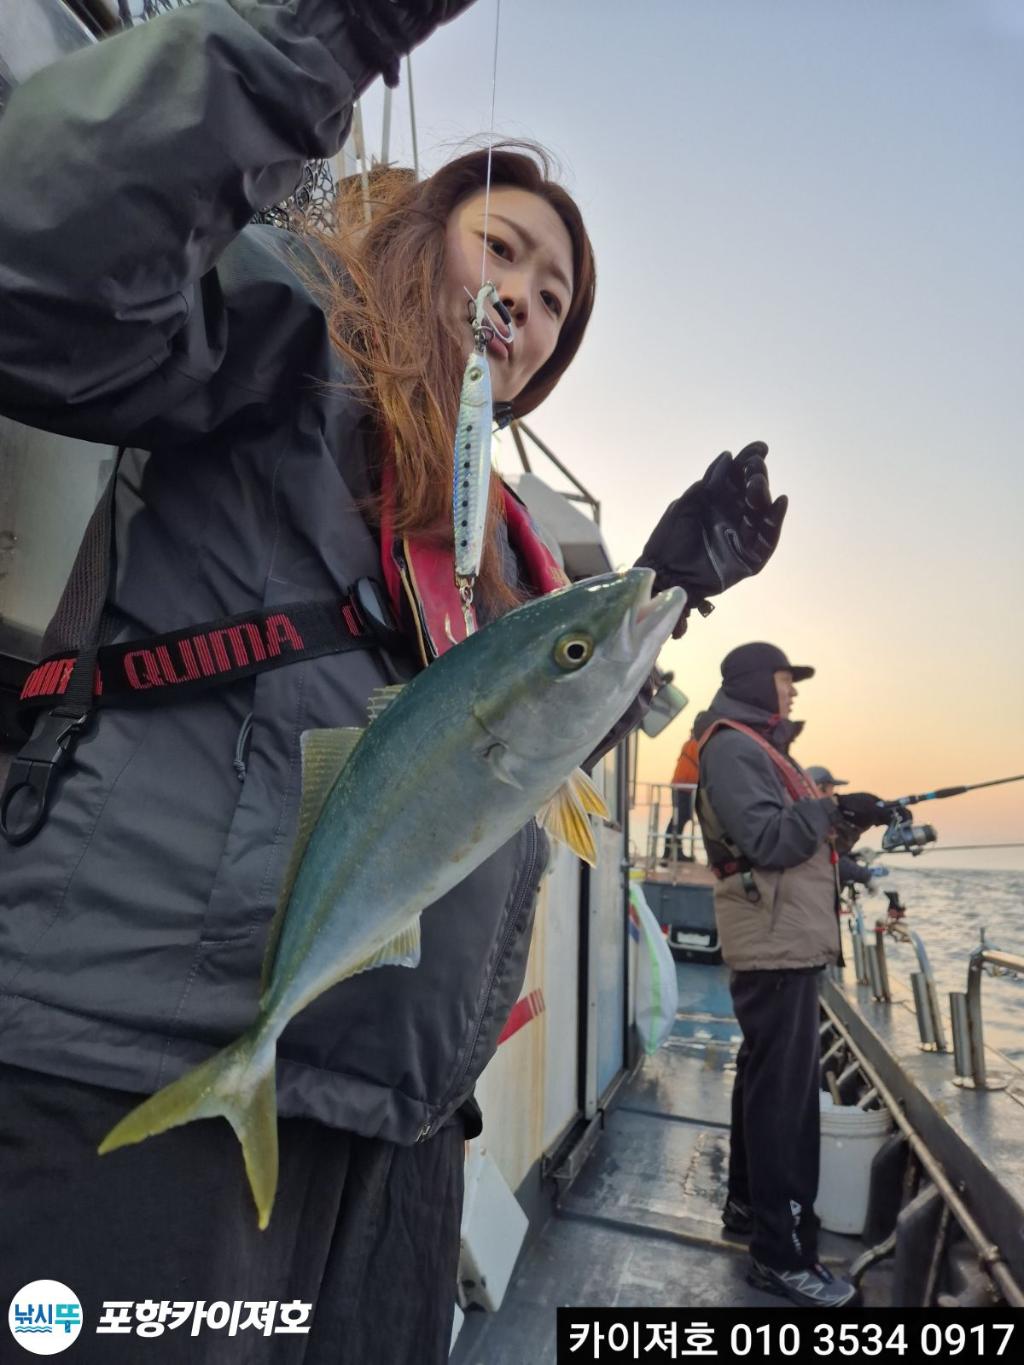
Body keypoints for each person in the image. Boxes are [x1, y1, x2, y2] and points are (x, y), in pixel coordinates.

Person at [0, 4, 789, 1357]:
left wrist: (665, 586)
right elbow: (45, 277)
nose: (529, 308)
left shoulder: (503, 551)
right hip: (141, 1056)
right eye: (508, 251)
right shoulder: (292, 339)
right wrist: (316, 36)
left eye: (555, 306)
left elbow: (543, 732)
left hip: (401, 1119)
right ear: (423, 242)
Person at [693, 642, 901, 1308]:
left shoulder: (758, 748)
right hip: (776, 942)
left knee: (765, 1079)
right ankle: (782, 1257)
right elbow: (767, 839)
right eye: (788, 680)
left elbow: (802, 840)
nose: (794, 692)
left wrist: (849, 819)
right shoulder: (732, 747)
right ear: (759, 682)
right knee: (785, 1099)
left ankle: (749, 1209)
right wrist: (827, 808)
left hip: (784, 938)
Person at [807, 764, 889, 892]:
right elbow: (826, 858)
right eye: (831, 788)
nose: (833, 793)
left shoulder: (807, 815)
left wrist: (851, 856)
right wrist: (865, 876)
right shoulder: (814, 818)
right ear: (818, 788)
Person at [662, 727, 698, 861]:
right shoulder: (695, 745)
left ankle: (673, 852)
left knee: (679, 818)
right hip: (683, 787)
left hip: (682, 786)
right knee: (679, 819)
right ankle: (671, 852)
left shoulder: (690, 744)